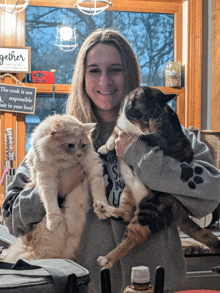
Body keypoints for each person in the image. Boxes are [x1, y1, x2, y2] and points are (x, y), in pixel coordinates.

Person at [2, 28, 220, 293]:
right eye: (94, 70)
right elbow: (12, 218)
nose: (105, 81)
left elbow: (212, 191)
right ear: (82, 78)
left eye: (115, 69)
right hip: (84, 285)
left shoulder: (166, 131)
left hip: (156, 285)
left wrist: (144, 159)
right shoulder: (62, 138)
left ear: (129, 74)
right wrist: (56, 190)